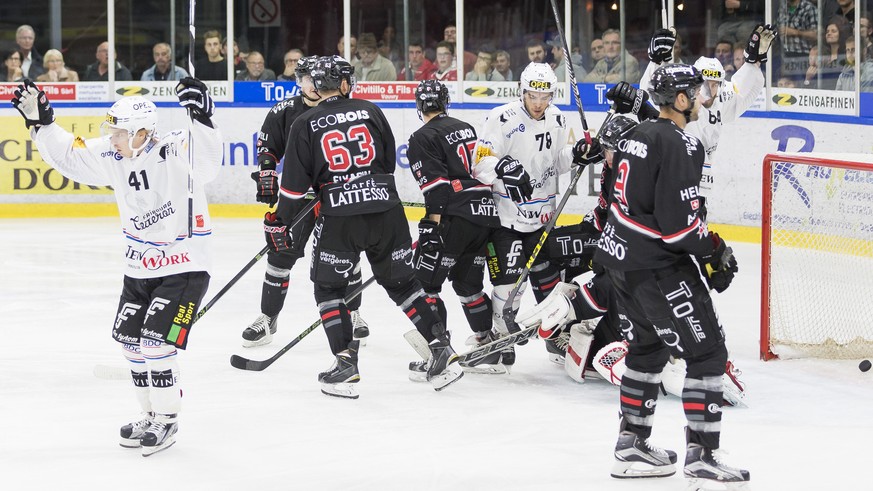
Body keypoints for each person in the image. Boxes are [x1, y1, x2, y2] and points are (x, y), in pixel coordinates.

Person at [11, 77, 221, 456]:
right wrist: (42, 123)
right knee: (130, 343)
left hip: (184, 265)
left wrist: (203, 118)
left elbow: (207, 167)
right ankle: (150, 412)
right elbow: (70, 157)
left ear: (143, 132)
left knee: (156, 344)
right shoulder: (112, 154)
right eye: (111, 131)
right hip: (139, 264)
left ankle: (168, 419)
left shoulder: (175, 149)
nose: (112, 139)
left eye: (120, 133)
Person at [591, 63, 747, 486]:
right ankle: (702, 455)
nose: (699, 98)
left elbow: (622, 204)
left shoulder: (636, 134)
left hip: (620, 264)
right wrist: (713, 249)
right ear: (679, 100)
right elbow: (679, 227)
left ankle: (631, 446)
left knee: (647, 351)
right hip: (658, 268)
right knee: (708, 354)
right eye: (694, 92)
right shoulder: (682, 143)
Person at [274, 56, 463, 398]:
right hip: (386, 211)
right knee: (405, 286)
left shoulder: (304, 122)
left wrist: (279, 222)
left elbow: (292, 190)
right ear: (344, 85)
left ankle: (346, 363)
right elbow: (387, 162)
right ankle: (440, 348)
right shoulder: (371, 110)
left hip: (342, 219)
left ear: (316, 87)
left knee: (329, 290)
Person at [242, 56, 370, 348]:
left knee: (346, 257)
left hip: (339, 195)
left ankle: (354, 313)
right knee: (280, 256)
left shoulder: (346, 110)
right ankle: (267, 318)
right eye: (304, 80)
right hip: (299, 196)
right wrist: (266, 171)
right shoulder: (285, 110)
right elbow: (267, 146)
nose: (309, 86)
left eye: (313, 79)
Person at [470, 63, 591, 368]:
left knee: (549, 284)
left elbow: (558, 162)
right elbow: (479, 162)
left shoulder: (558, 118)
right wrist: (503, 167)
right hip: (507, 217)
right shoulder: (502, 118)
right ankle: (499, 336)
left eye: (545, 96)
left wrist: (577, 154)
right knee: (508, 285)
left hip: (543, 218)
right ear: (521, 91)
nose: (538, 103)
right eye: (533, 95)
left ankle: (555, 339)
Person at [405, 80, 501, 379]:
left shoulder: (422, 136)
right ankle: (490, 342)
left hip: (453, 218)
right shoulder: (467, 128)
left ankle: (439, 353)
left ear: (419, 106)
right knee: (468, 284)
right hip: (483, 215)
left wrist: (431, 226)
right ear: (445, 103)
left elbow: (437, 187)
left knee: (424, 287)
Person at [776, 0, 818, 82]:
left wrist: (796, 32)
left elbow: (817, 35)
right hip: (783, 56)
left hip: (802, 57)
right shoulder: (782, 8)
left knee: (800, 85)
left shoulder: (809, 8)